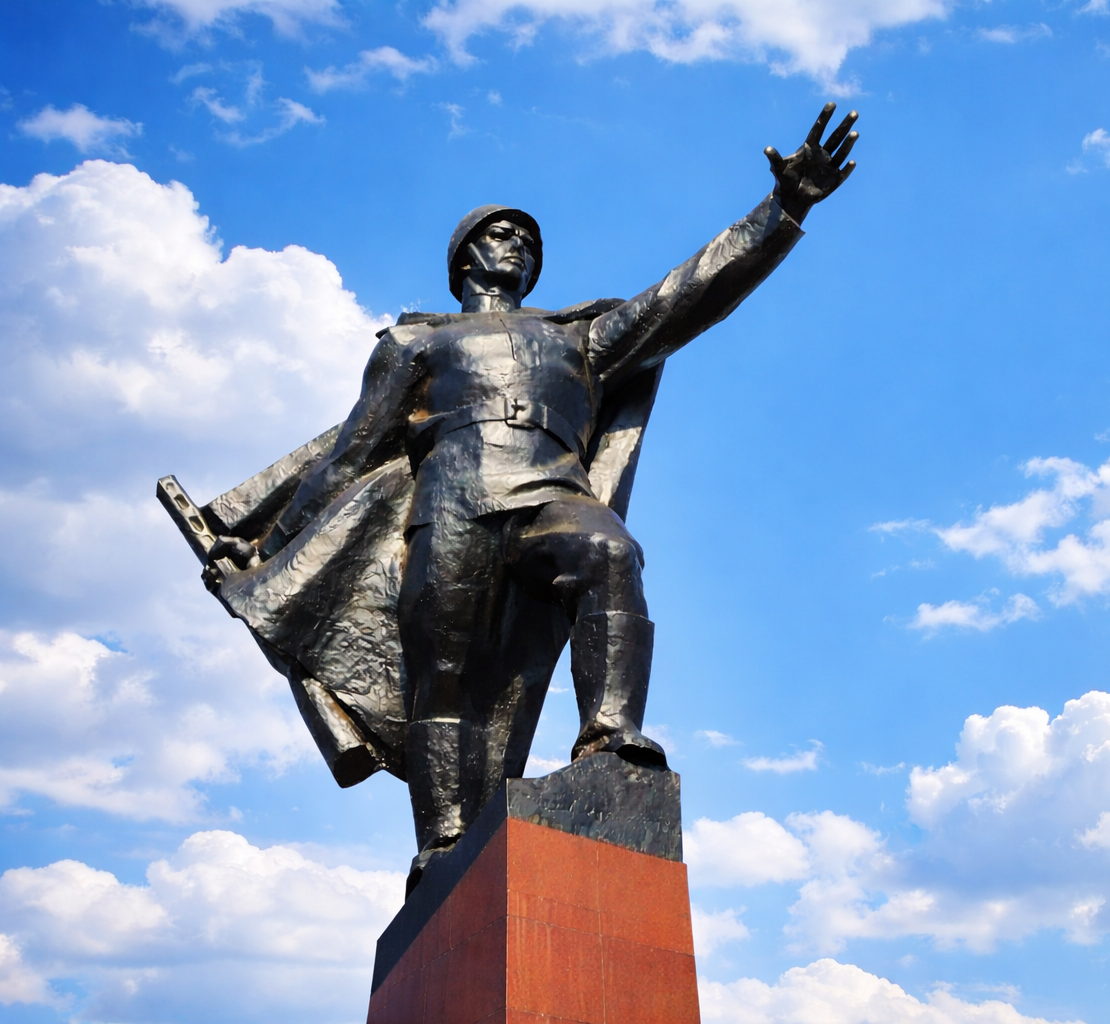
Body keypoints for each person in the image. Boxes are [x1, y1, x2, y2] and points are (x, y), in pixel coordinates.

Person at [210, 104, 858, 888]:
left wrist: (783, 210)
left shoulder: (578, 338)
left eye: (528, 239)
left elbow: (685, 297)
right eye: (501, 233)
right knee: (441, 676)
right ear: (465, 258)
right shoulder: (415, 343)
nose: (517, 243)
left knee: (608, 552)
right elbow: (351, 455)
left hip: (549, 488)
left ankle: (610, 735)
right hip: (448, 507)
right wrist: (268, 549)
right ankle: (443, 841)